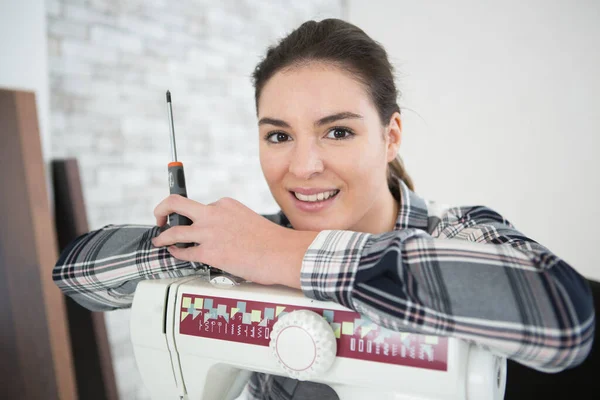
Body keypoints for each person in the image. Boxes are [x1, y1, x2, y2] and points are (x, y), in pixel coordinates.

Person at [53, 18, 595, 400]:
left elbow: (564, 318)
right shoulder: (242, 252)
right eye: (278, 135)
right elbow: (75, 275)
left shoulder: (461, 234)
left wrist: (282, 251)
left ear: (391, 136)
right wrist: (209, 247)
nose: (304, 166)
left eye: (337, 131)